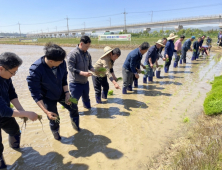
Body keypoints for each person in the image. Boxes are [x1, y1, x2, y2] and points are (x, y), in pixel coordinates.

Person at [27, 43, 80, 141]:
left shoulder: (61, 62)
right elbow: (35, 93)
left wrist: (67, 93)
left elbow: (64, 79)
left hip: (61, 92)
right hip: (47, 97)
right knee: (54, 118)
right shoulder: (36, 70)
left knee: (74, 107)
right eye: (59, 62)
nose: (62, 63)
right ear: (51, 61)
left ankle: (76, 128)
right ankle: (57, 138)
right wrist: (46, 111)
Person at [0, 52, 38, 168]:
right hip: (3, 111)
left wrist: (21, 111)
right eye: (13, 72)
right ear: (1, 68)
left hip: (4, 112)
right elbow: (3, 111)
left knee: (15, 130)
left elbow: (12, 94)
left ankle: (15, 148)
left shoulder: (6, 77)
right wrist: (28, 113)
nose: (14, 75)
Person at [67, 36, 94, 109]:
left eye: (89, 46)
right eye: (86, 46)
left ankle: (88, 112)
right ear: (81, 44)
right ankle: (74, 117)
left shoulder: (87, 54)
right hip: (75, 83)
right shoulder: (73, 54)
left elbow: (90, 66)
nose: (87, 48)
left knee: (87, 99)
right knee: (74, 102)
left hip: (85, 82)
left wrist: (94, 70)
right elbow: (70, 68)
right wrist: (82, 73)